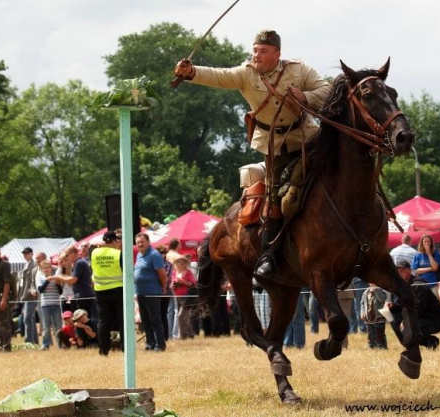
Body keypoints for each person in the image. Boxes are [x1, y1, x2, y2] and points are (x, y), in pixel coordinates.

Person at [174, 30, 330, 278]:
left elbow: (327, 90)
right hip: (275, 147)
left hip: (308, 139)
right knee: (277, 199)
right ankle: (269, 254)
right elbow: (218, 76)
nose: (256, 55)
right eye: (255, 50)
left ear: (277, 54)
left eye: (263, 51)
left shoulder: (299, 70)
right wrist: (191, 72)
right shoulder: (246, 74)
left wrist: (306, 96)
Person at [389, 260, 440, 349]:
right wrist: (392, 306)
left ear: (410, 271)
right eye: (397, 271)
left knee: (410, 326)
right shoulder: (401, 285)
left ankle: (431, 342)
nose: (399, 273)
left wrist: (406, 321)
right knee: (393, 317)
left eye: (402, 270)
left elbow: (419, 308)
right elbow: (401, 303)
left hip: (433, 319)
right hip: (418, 316)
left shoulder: (418, 285)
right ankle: (407, 344)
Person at [90, 230, 124, 355]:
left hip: (100, 291)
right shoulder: (119, 254)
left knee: (103, 322)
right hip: (118, 290)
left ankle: (103, 350)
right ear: (115, 241)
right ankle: (125, 348)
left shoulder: (94, 253)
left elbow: (92, 244)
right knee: (122, 320)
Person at [134, 233, 167, 352]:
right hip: (140, 293)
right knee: (146, 321)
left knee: (155, 320)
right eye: (138, 242)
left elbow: (162, 274)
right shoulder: (138, 255)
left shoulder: (154, 255)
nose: (140, 244)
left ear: (148, 242)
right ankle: (150, 343)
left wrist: (163, 287)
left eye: (142, 241)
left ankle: (160, 345)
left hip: (152, 293)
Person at [52, 246, 95, 319]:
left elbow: (73, 280)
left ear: (72, 253)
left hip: (83, 295)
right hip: (83, 294)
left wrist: (60, 277)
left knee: (82, 319)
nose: (66, 257)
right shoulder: (79, 262)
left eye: (67, 255)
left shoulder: (79, 263)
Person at [37, 260, 63, 349]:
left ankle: (61, 344)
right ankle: (45, 345)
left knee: (58, 327)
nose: (46, 269)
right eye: (44, 268)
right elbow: (40, 290)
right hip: (45, 305)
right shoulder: (40, 278)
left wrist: (58, 284)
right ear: (42, 269)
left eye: (48, 267)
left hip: (56, 304)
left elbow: (60, 292)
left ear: (51, 268)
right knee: (46, 327)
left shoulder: (56, 278)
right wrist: (47, 281)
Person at [171, 257, 197, 340]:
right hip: (177, 297)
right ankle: (190, 334)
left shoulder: (188, 273)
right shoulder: (174, 272)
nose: (181, 264)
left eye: (183, 262)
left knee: (181, 316)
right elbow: (172, 282)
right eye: (179, 262)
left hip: (187, 297)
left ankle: (182, 336)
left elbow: (193, 284)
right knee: (185, 317)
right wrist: (172, 285)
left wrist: (183, 282)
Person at [18, 247, 39, 345]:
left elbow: (33, 281)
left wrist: (32, 290)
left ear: (31, 254)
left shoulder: (34, 265)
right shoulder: (26, 264)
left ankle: (29, 341)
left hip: (31, 295)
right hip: (25, 295)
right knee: (30, 318)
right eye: (24, 253)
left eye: (27, 253)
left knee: (27, 318)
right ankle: (34, 340)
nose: (25, 255)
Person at [360, 283, 389, 349]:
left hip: (379, 317)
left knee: (379, 333)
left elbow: (382, 299)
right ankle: (372, 346)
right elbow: (362, 303)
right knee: (371, 334)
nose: (372, 284)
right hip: (369, 318)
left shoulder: (380, 290)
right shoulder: (365, 292)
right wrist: (362, 312)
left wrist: (376, 290)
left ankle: (382, 346)